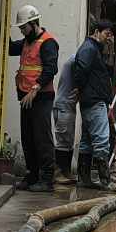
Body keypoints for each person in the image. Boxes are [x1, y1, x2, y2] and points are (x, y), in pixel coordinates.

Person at [7, 3, 60, 192]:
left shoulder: (48, 42)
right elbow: (10, 48)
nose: (22, 31)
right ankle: (32, 176)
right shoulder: (26, 42)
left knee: (41, 137)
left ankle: (46, 179)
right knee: (28, 137)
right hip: (26, 97)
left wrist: (35, 88)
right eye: (20, 28)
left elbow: (51, 69)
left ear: (33, 23)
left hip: (41, 97)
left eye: (23, 27)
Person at [71, 19, 116, 188]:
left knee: (87, 140)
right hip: (93, 100)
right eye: (106, 34)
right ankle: (105, 180)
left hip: (91, 100)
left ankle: (84, 179)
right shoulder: (89, 48)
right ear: (96, 32)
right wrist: (80, 88)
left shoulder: (93, 49)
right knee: (101, 139)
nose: (108, 38)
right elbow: (81, 70)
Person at [51, 53, 80, 187]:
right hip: (64, 106)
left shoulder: (75, 60)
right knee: (63, 141)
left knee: (68, 141)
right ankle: (58, 173)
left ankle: (66, 172)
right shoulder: (76, 61)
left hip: (67, 105)